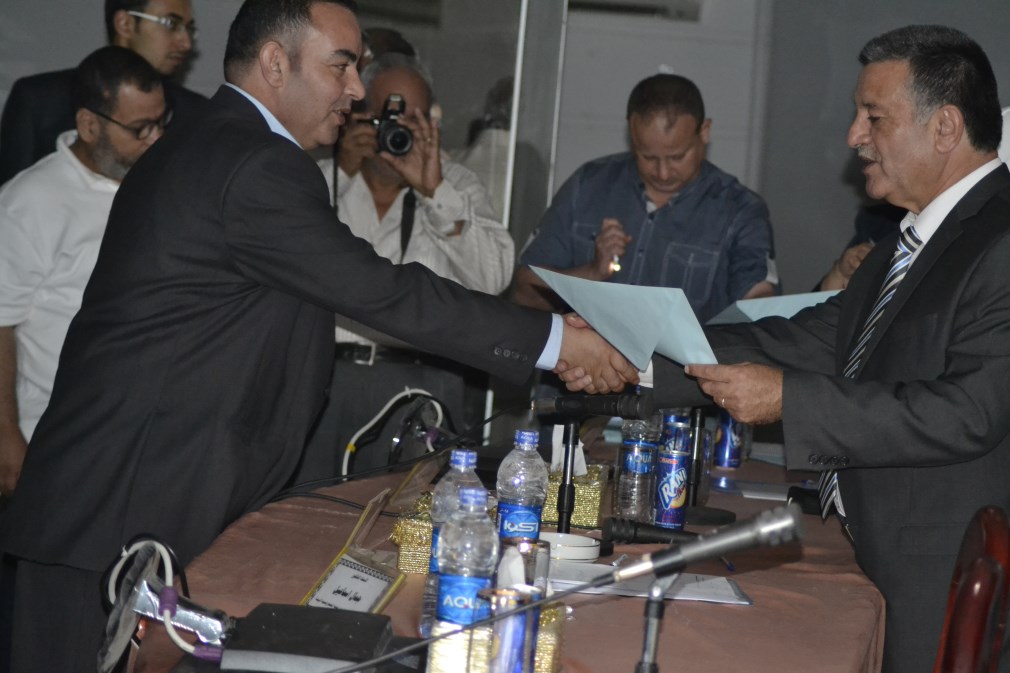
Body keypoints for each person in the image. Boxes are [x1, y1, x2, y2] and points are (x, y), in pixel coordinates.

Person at [0, 2, 636, 670]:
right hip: (120, 508)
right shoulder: (252, 161)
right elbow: (381, 290)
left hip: (140, 494)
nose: (357, 90)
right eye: (341, 66)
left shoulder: (216, 140)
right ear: (277, 63)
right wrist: (555, 342)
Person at [561, 25, 1010, 673]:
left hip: (938, 573)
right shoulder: (911, 239)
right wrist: (629, 349)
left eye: (874, 117)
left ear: (944, 127)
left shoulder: (999, 239)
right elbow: (805, 338)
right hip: (880, 556)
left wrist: (789, 400)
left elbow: (968, 411)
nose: (853, 135)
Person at [298, 52, 515, 478]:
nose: (399, 130)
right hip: (324, 381)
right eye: (388, 116)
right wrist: (342, 173)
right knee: (306, 508)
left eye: (414, 118)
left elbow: (494, 279)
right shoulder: (318, 179)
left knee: (410, 514)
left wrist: (434, 192)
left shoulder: (456, 184)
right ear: (358, 114)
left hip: (425, 385)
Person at [0, 46, 168, 497]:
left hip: (142, 433)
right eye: (141, 128)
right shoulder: (28, 202)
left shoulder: (156, 185)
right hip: (57, 437)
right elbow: (0, 323)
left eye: (161, 122)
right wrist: (6, 436)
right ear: (89, 125)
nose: (156, 139)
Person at [513, 73, 777, 325]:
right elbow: (524, 292)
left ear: (705, 131)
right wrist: (591, 273)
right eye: (648, 157)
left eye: (677, 157)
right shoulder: (589, 186)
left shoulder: (740, 210)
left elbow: (760, 309)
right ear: (631, 132)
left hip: (685, 359)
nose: (663, 173)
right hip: (583, 357)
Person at [0, 0, 205, 185]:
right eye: (171, 24)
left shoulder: (196, 113)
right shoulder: (39, 100)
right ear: (125, 23)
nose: (186, 43)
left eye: (189, 28)